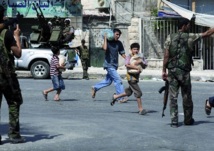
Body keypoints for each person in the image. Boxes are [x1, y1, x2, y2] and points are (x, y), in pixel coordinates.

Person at [162, 18, 214, 127]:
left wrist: (163, 70)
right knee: (186, 96)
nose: (189, 27)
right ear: (184, 26)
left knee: (173, 97)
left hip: (172, 71)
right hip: (184, 72)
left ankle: (174, 121)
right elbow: (207, 33)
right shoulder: (190, 37)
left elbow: (166, 55)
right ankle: (188, 119)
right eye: (188, 25)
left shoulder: (169, 37)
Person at [0, 5, 25, 143]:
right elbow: (18, 53)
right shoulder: (6, 34)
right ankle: (14, 134)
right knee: (14, 102)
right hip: (6, 75)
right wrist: (16, 36)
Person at [91, 28, 127, 103]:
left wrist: (129, 60)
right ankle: (120, 97)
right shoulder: (107, 41)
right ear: (112, 34)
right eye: (117, 34)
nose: (118, 36)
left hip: (115, 65)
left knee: (108, 81)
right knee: (118, 79)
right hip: (108, 65)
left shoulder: (119, 43)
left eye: (119, 35)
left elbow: (122, 53)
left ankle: (95, 88)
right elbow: (104, 48)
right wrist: (105, 38)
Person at [111, 43, 147, 115]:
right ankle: (140, 109)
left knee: (129, 92)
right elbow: (127, 64)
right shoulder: (129, 56)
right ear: (131, 50)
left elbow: (145, 65)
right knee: (138, 92)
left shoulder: (140, 56)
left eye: (137, 49)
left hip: (136, 76)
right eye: (134, 49)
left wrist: (141, 62)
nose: (135, 50)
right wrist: (136, 67)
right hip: (131, 77)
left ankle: (115, 96)